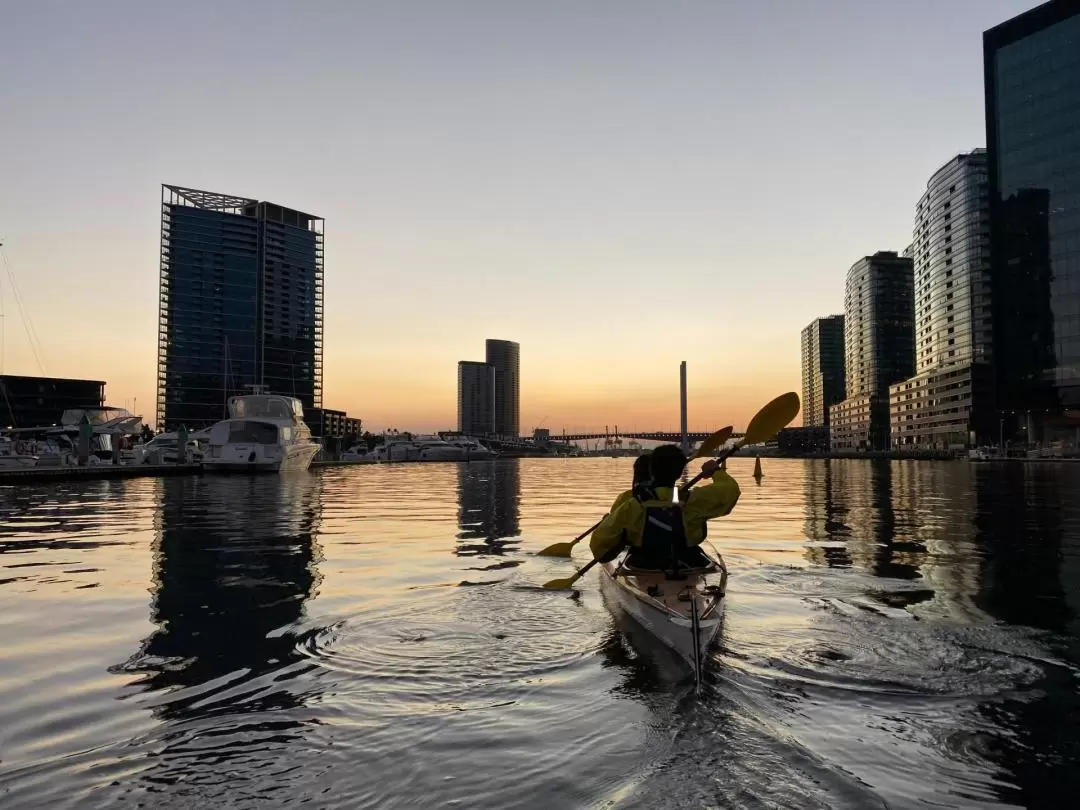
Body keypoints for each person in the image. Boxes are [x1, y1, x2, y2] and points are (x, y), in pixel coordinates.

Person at [589, 444, 740, 571]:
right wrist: (716, 471)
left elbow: (599, 547)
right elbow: (731, 491)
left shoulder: (632, 505)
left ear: (651, 471)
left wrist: (611, 526)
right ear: (680, 474)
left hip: (644, 567)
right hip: (688, 564)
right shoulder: (692, 501)